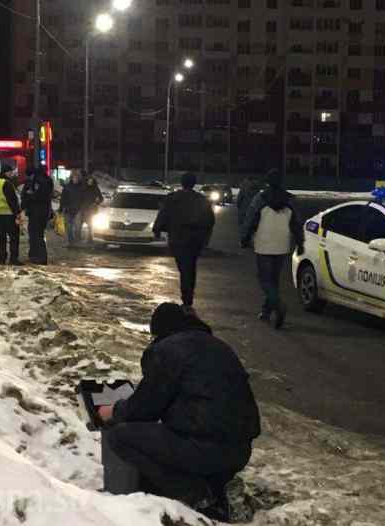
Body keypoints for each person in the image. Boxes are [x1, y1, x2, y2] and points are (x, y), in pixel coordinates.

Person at [98, 303, 261, 521]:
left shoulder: (167, 350)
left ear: (159, 331)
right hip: (240, 452)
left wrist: (113, 411)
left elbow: (143, 411)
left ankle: (197, 494)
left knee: (121, 437)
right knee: (176, 433)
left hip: (204, 449)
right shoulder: (218, 346)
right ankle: (215, 487)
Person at [241, 169, 304, 329]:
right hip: (282, 245)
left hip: (263, 243)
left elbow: (250, 218)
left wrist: (245, 237)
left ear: (267, 181)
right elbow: (296, 224)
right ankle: (266, 311)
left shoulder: (260, 199)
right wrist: (300, 243)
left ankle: (278, 305)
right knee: (274, 279)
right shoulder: (290, 200)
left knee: (264, 279)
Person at [153, 172, 215, 313]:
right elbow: (210, 221)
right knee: (190, 267)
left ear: (182, 183)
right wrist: (205, 239)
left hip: (178, 239)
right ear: (194, 183)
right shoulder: (201, 200)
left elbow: (163, 214)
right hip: (195, 241)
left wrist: (157, 230)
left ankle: (187, 299)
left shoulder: (173, 198)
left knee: (184, 269)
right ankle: (188, 298)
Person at [0, 169, 23, 266]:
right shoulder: (7, 183)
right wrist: (17, 213)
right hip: (9, 215)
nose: (12, 174)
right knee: (14, 237)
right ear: (6, 173)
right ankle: (13, 259)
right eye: (10, 172)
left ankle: (2, 259)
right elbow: (12, 200)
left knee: (2, 238)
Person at [21, 167, 53, 265]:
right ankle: (36, 256)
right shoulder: (48, 181)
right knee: (37, 234)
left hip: (36, 212)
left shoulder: (37, 181)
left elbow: (32, 195)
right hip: (43, 212)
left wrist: (29, 197)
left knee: (36, 234)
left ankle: (39, 257)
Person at [58, 171, 85, 247]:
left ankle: (77, 241)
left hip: (78, 209)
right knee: (69, 227)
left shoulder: (81, 187)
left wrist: (82, 208)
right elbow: (63, 198)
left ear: (79, 178)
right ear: (71, 178)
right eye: (74, 177)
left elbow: (83, 199)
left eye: (76, 178)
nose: (75, 179)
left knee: (77, 227)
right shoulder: (67, 187)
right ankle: (71, 242)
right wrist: (61, 208)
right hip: (68, 209)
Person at [80, 173, 104, 245]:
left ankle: (90, 238)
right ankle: (79, 238)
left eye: (91, 181)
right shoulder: (84, 188)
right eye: (89, 181)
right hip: (84, 209)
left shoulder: (96, 188)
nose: (90, 182)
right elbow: (80, 197)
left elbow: (101, 198)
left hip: (92, 209)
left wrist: (97, 202)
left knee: (91, 225)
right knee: (81, 224)